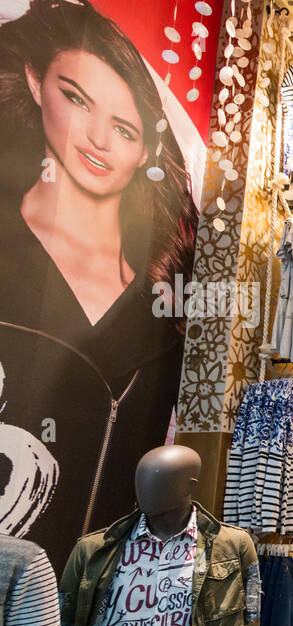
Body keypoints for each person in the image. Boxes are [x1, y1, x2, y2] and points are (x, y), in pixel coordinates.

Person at [0, 0, 197, 572]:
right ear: (37, 83)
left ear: (144, 151)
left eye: (125, 127)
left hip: (115, 614)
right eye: (76, 98)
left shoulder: (167, 307)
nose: (97, 139)